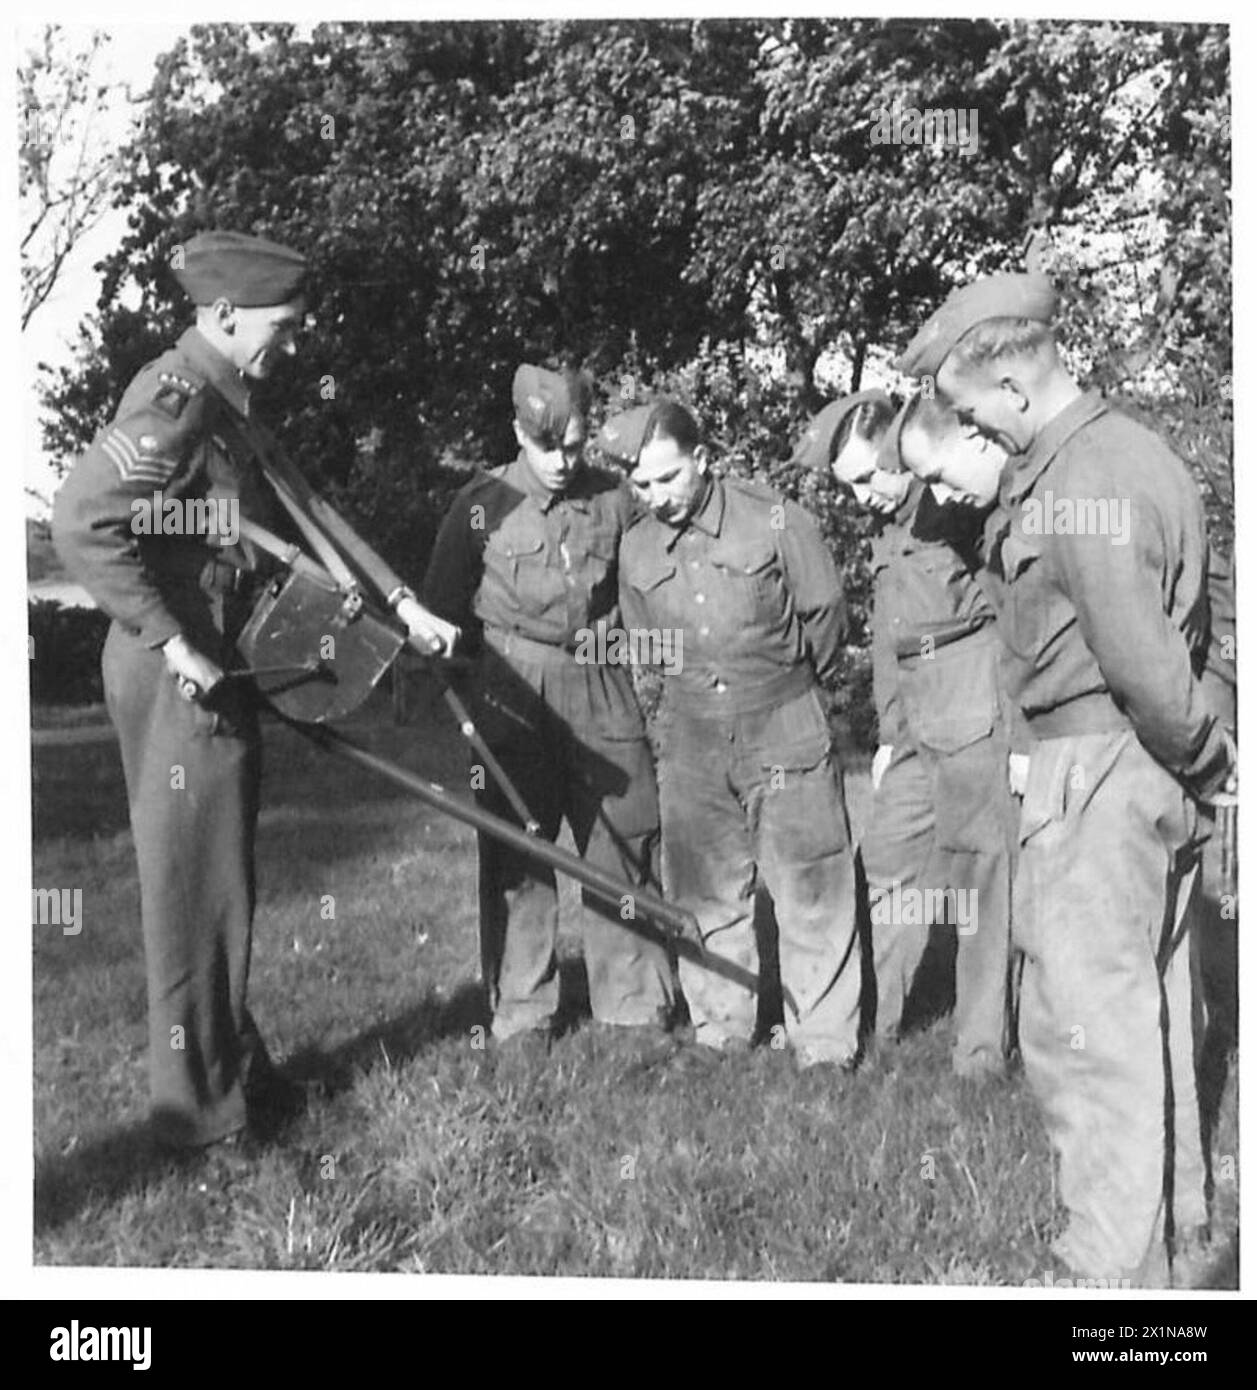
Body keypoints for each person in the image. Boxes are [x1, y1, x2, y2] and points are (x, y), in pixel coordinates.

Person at [52, 229, 456, 1153]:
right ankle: (198, 1119)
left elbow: (307, 505)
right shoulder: (176, 400)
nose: (296, 342)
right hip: (178, 673)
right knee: (193, 891)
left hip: (216, 659)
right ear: (227, 315)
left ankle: (237, 1076)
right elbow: (81, 521)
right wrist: (170, 641)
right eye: (286, 325)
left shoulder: (226, 397)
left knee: (220, 879)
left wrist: (400, 602)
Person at [896, 271, 1236, 1286]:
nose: (972, 434)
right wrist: (1201, 759)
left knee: (1086, 1038)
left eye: (968, 414)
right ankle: (1173, 1234)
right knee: (1148, 1014)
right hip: (1140, 770)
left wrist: (1208, 758)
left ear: (1010, 386)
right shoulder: (1129, 450)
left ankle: (1107, 1282)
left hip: (1098, 768)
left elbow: (1138, 657)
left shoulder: (1079, 477)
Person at [598, 398, 861, 1069]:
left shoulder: (775, 519)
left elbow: (825, 616)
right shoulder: (636, 546)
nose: (655, 495)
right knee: (704, 888)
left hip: (783, 718)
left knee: (808, 882)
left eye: (667, 477)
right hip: (691, 733)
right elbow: (646, 644)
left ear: (703, 459)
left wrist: (781, 689)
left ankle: (824, 1043)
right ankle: (721, 1030)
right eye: (641, 484)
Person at [422, 365, 674, 1050]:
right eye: (546, 447)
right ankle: (522, 1011)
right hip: (512, 686)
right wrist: (456, 689)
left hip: (600, 677)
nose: (562, 461)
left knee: (624, 836)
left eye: (573, 445)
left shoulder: (615, 499)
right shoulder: (481, 504)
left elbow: (649, 587)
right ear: (517, 433)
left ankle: (633, 1003)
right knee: (517, 849)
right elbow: (441, 609)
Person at [795, 389, 1017, 1079]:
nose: (862, 495)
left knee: (981, 879)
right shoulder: (886, 524)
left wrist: (1020, 735)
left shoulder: (958, 504)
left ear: (897, 444)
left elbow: (1016, 610)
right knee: (885, 864)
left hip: (973, 703)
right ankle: (873, 1026)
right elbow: (891, 638)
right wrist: (890, 734)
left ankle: (980, 1052)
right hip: (915, 721)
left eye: (868, 476)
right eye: (850, 485)